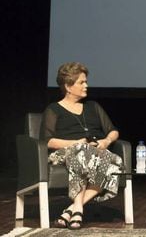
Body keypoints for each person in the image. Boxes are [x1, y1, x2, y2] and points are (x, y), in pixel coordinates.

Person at [41, 62, 124, 230]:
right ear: (68, 86)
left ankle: (72, 209)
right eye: (81, 82)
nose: (86, 85)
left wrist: (106, 141)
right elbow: (47, 141)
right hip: (64, 153)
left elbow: (113, 131)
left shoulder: (93, 107)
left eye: (86, 81)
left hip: (94, 152)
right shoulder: (54, 109)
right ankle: (78, 208)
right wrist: (75, 143)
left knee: (115, 161)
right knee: (81, 151)